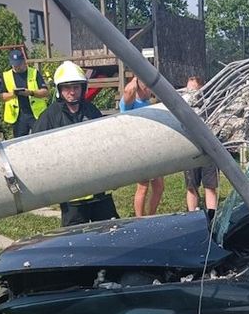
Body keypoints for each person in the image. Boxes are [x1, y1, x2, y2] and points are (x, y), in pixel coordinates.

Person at [32, 61, 117, 226]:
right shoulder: (50, 116)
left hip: (98, 189)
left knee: (110, 232)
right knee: (75, 239)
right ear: (59, 90)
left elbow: (105, 142)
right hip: (72, 196)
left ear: (82, 88)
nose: (72, 92)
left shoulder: (91, 111)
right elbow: (36, 147)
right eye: (67, 88)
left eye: (76, 87)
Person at [120, 74, 165, 217]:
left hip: (151, 149)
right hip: (139, 150)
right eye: (148, 88)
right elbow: (128, 91)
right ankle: (140, 218)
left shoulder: (147, 103)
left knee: (158, 186)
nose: (151, 92)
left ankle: (151, 215)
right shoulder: (129, 104)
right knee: (143, 187)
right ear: (141, 87)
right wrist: (136, 79)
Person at [182, 76, 219, 226]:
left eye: (193, 90)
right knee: (191, 186)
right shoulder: (182, 106)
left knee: (210, 186)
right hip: (190, 149)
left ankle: (212, 218)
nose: (189, 93)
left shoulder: (209, 105)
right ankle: (193, 218)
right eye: (187, 90)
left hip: (208, 150)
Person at [0, 49, 48, 138]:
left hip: (35, 114)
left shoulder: (34, 73)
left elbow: (45, 92)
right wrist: (13, 94)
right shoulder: (6, 76)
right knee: (19, 142)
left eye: (18, 64)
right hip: (18, 116)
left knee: (40, 138)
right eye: (14, 64)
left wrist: (31, 93)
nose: (16, 67)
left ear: (24, 61)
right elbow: (2, 97)